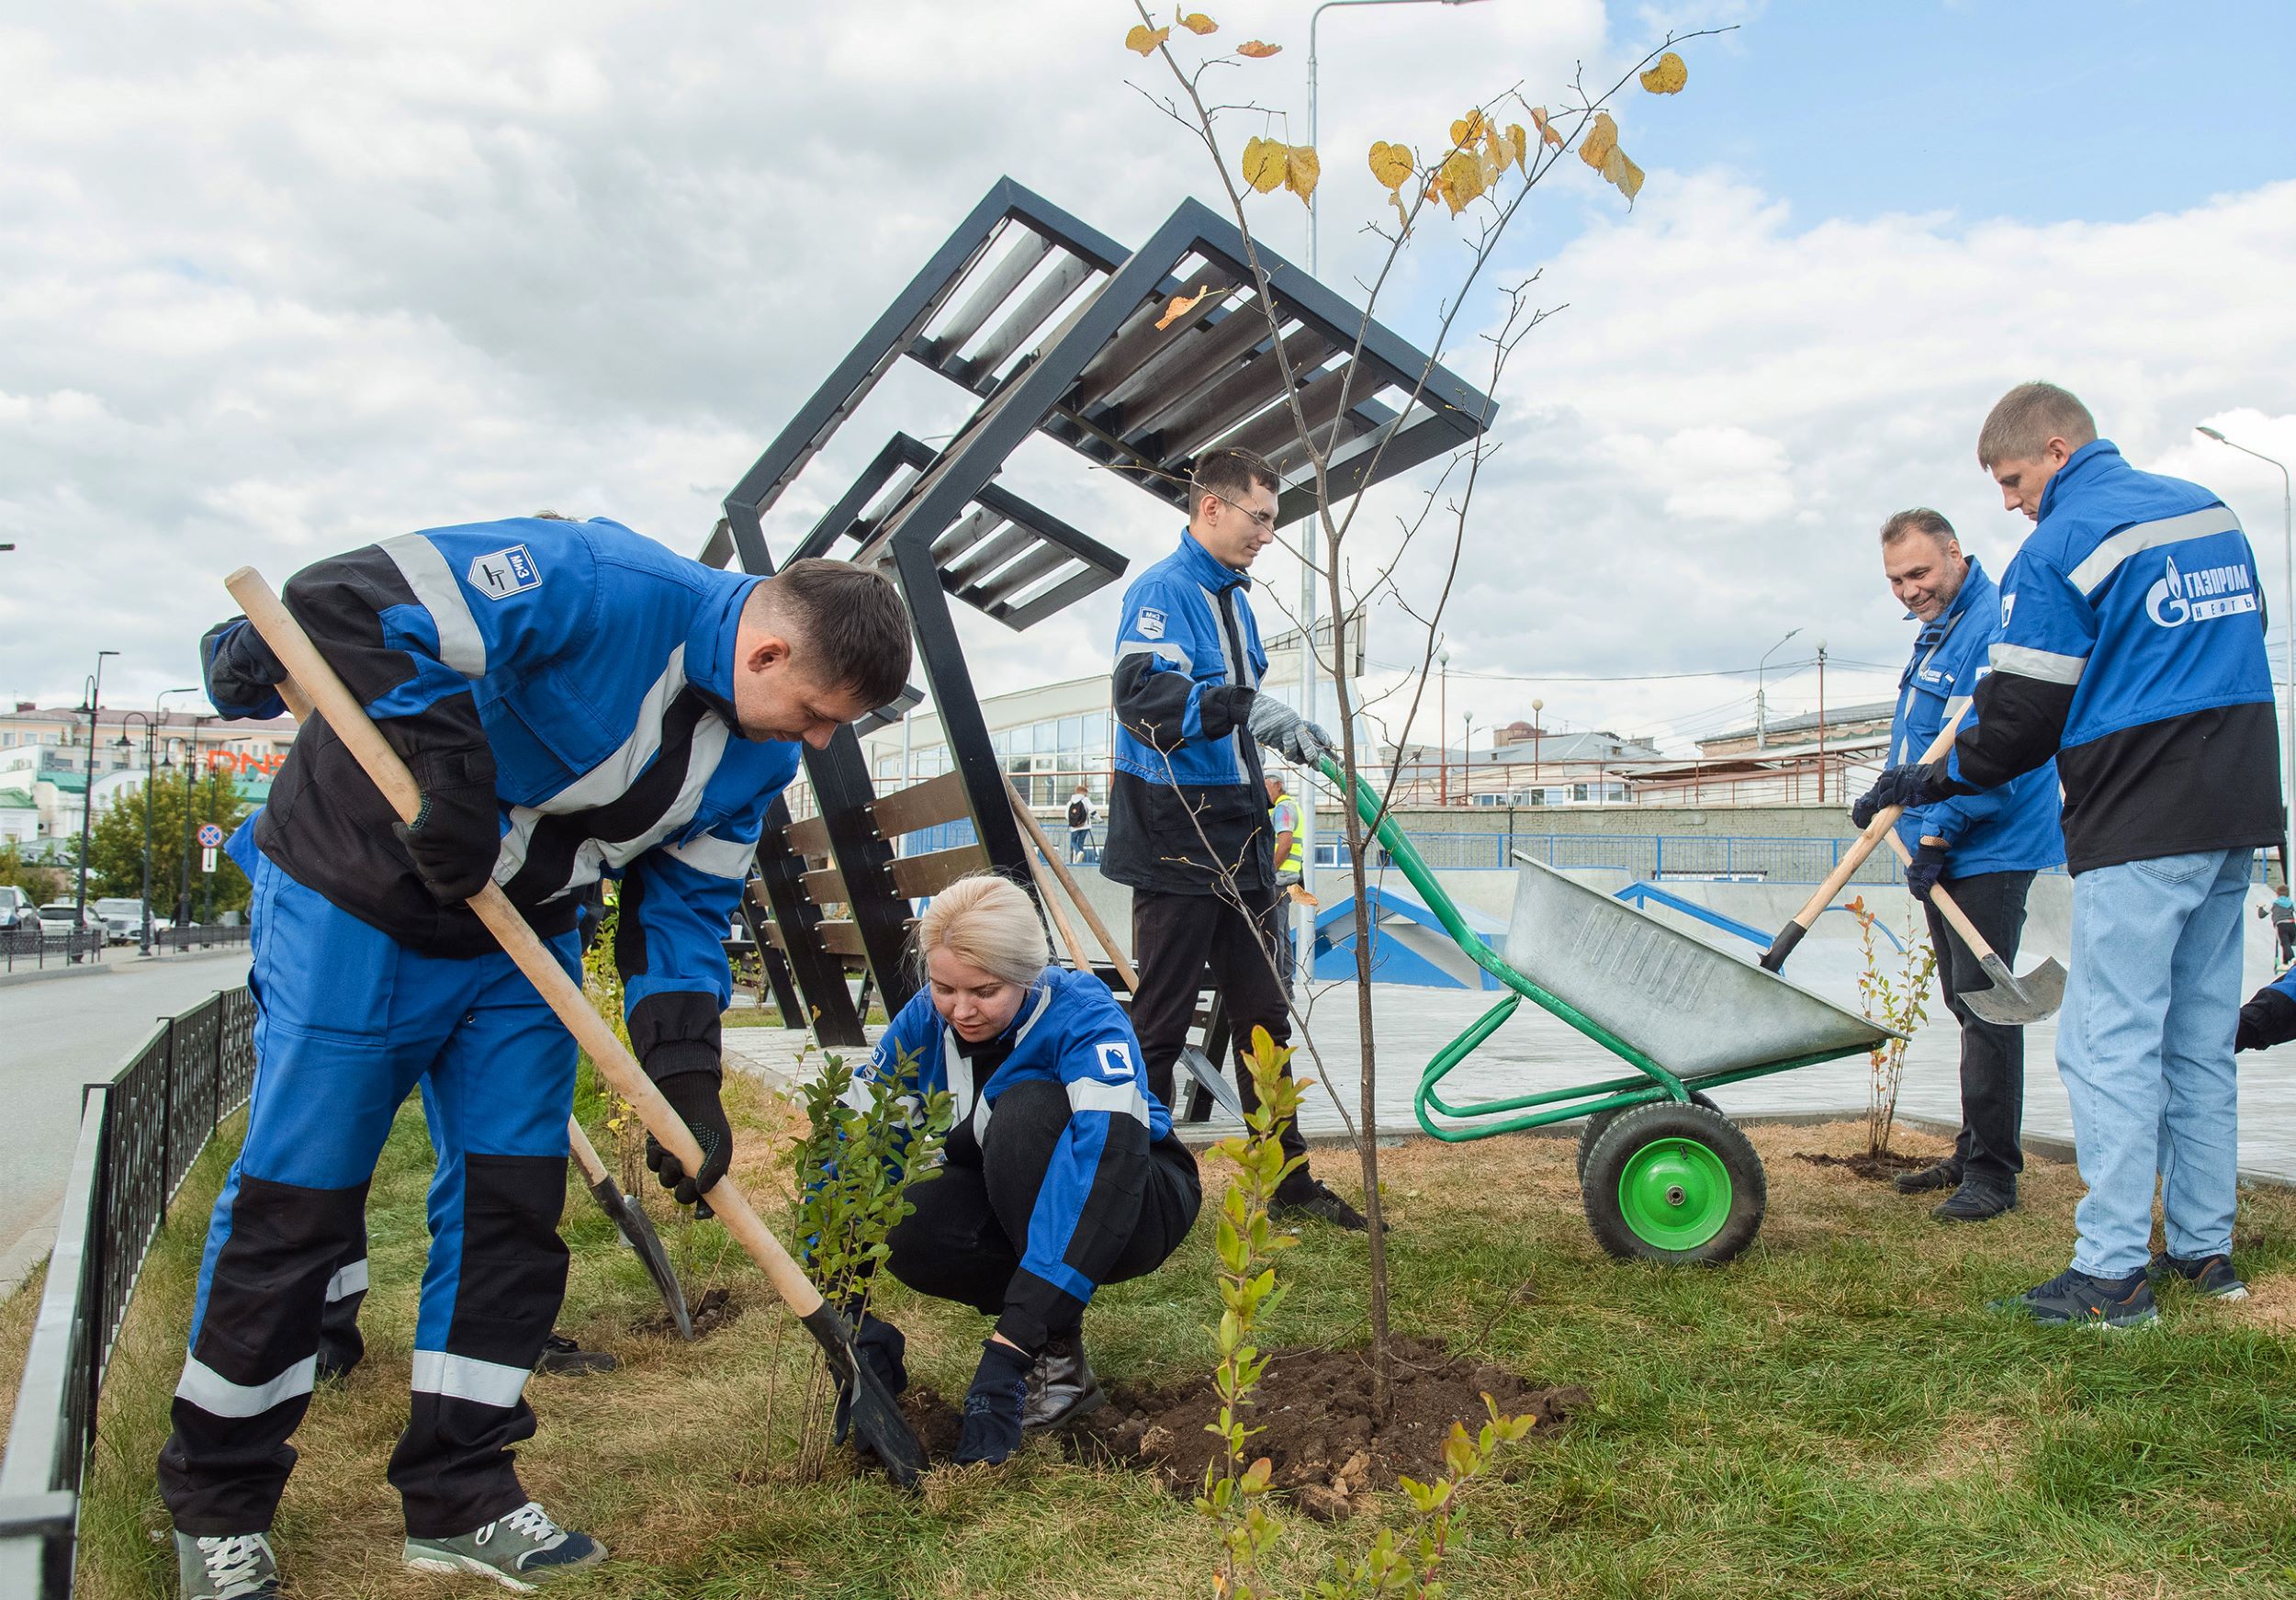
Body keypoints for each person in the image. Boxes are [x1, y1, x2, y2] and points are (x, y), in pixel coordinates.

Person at [162, 514, 911, 1598]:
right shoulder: (595, 580)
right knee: (300, 1199)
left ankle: (464, 1490)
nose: (818, 741)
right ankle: (219, 1502)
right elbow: (348, 601)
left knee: (514, 1200)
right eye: (814, 713)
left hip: (524, 933)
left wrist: (685, 1078)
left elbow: (687, 907)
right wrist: (450, 771)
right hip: (357, 896)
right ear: (768, 653)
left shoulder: (755, 758)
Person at [1852, 383, 2279, 1326]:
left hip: (2141, 814)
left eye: (2011, 478)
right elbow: (2229, 648)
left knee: (2106, 1041)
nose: (2010, 501)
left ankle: (2111, 1273)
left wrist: (1924, 783)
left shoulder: (2059, 546)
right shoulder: (2212, 512)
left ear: (2055, 449)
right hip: (2237, 804)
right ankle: (2206, 1252)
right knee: (2197, 1039)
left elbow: (2018, 722)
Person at [842, 873, 1200, 1464]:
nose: (961, 1010)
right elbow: (851, 1151)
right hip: (1020, 1190)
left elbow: (1106, 1161)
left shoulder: (1084, 1014)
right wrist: (847, 1319)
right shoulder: (921, 1024)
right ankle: (1039, 1330)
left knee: (1028, 1113)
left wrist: (1009, 1350)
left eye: (984, 991)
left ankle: (1051, 1363)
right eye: (943, 988)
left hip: (1135, 1196)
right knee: (911, 1220)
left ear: (1028, 974)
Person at [1102, 447, 1366, 1230]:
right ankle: (1124, 1188)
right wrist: (1244, 709)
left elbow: (1233, 698)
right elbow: (1140, 695)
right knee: (1162, 1017)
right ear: (1211, 508)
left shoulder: (1234, 601)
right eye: (1260, 518)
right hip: (1177, 832)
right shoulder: (1162, 591)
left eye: (1274, 522)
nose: (1268, 536)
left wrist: (1270, 719)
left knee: (1264, 1016)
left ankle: (1285, 1186)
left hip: (1239, 833)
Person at [1872, 509, 2065, 1222]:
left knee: (1989, 1010)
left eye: (1919, 573)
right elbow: (1921, 740)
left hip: (1987, 843)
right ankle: (1971, 1148)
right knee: (1964, 1001)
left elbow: (1989, 751)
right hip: (1938, 841)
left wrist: (1937, 837)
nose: (1908, 589)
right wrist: (1886, 796)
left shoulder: (1988, 624)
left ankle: (1994, 1175)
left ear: (1954, 554)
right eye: (1895, 579)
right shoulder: (1940, 628)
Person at [1266, 771, 1305, 992]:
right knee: (1283, 934)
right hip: (1288, 879)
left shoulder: (1282, 808)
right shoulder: (1291, 806)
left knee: (1274, 934)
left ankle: (1278, 989)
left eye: (1266, 786)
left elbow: (1286, 842)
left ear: (1277, 785)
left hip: (1279, 879)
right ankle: (1286, 985)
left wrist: (1269, 871)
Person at [2257, 882, 2294, 969]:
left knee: (2284, 943)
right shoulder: (2291, 903)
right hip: (2292, 924)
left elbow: (2261, 915)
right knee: (2288, 944)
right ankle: (2285, 963)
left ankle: (2292, 960)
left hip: (2280, 925)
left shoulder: (2273, 903)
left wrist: (2260, 907)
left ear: (2277, 894)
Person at [1065, 780, 1095, 864]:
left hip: (1074, 827)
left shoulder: (1070, 802)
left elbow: (1067, 815)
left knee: (1073, 841)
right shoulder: (1085, 800)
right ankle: (1079, 856)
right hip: (1085, 825)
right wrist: (1099, 819)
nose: (1086, 794)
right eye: (1086, 792)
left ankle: (1078, 853)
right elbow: (1092, 810)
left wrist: (1073, 822)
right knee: (1081, 842)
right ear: (1083, 792)